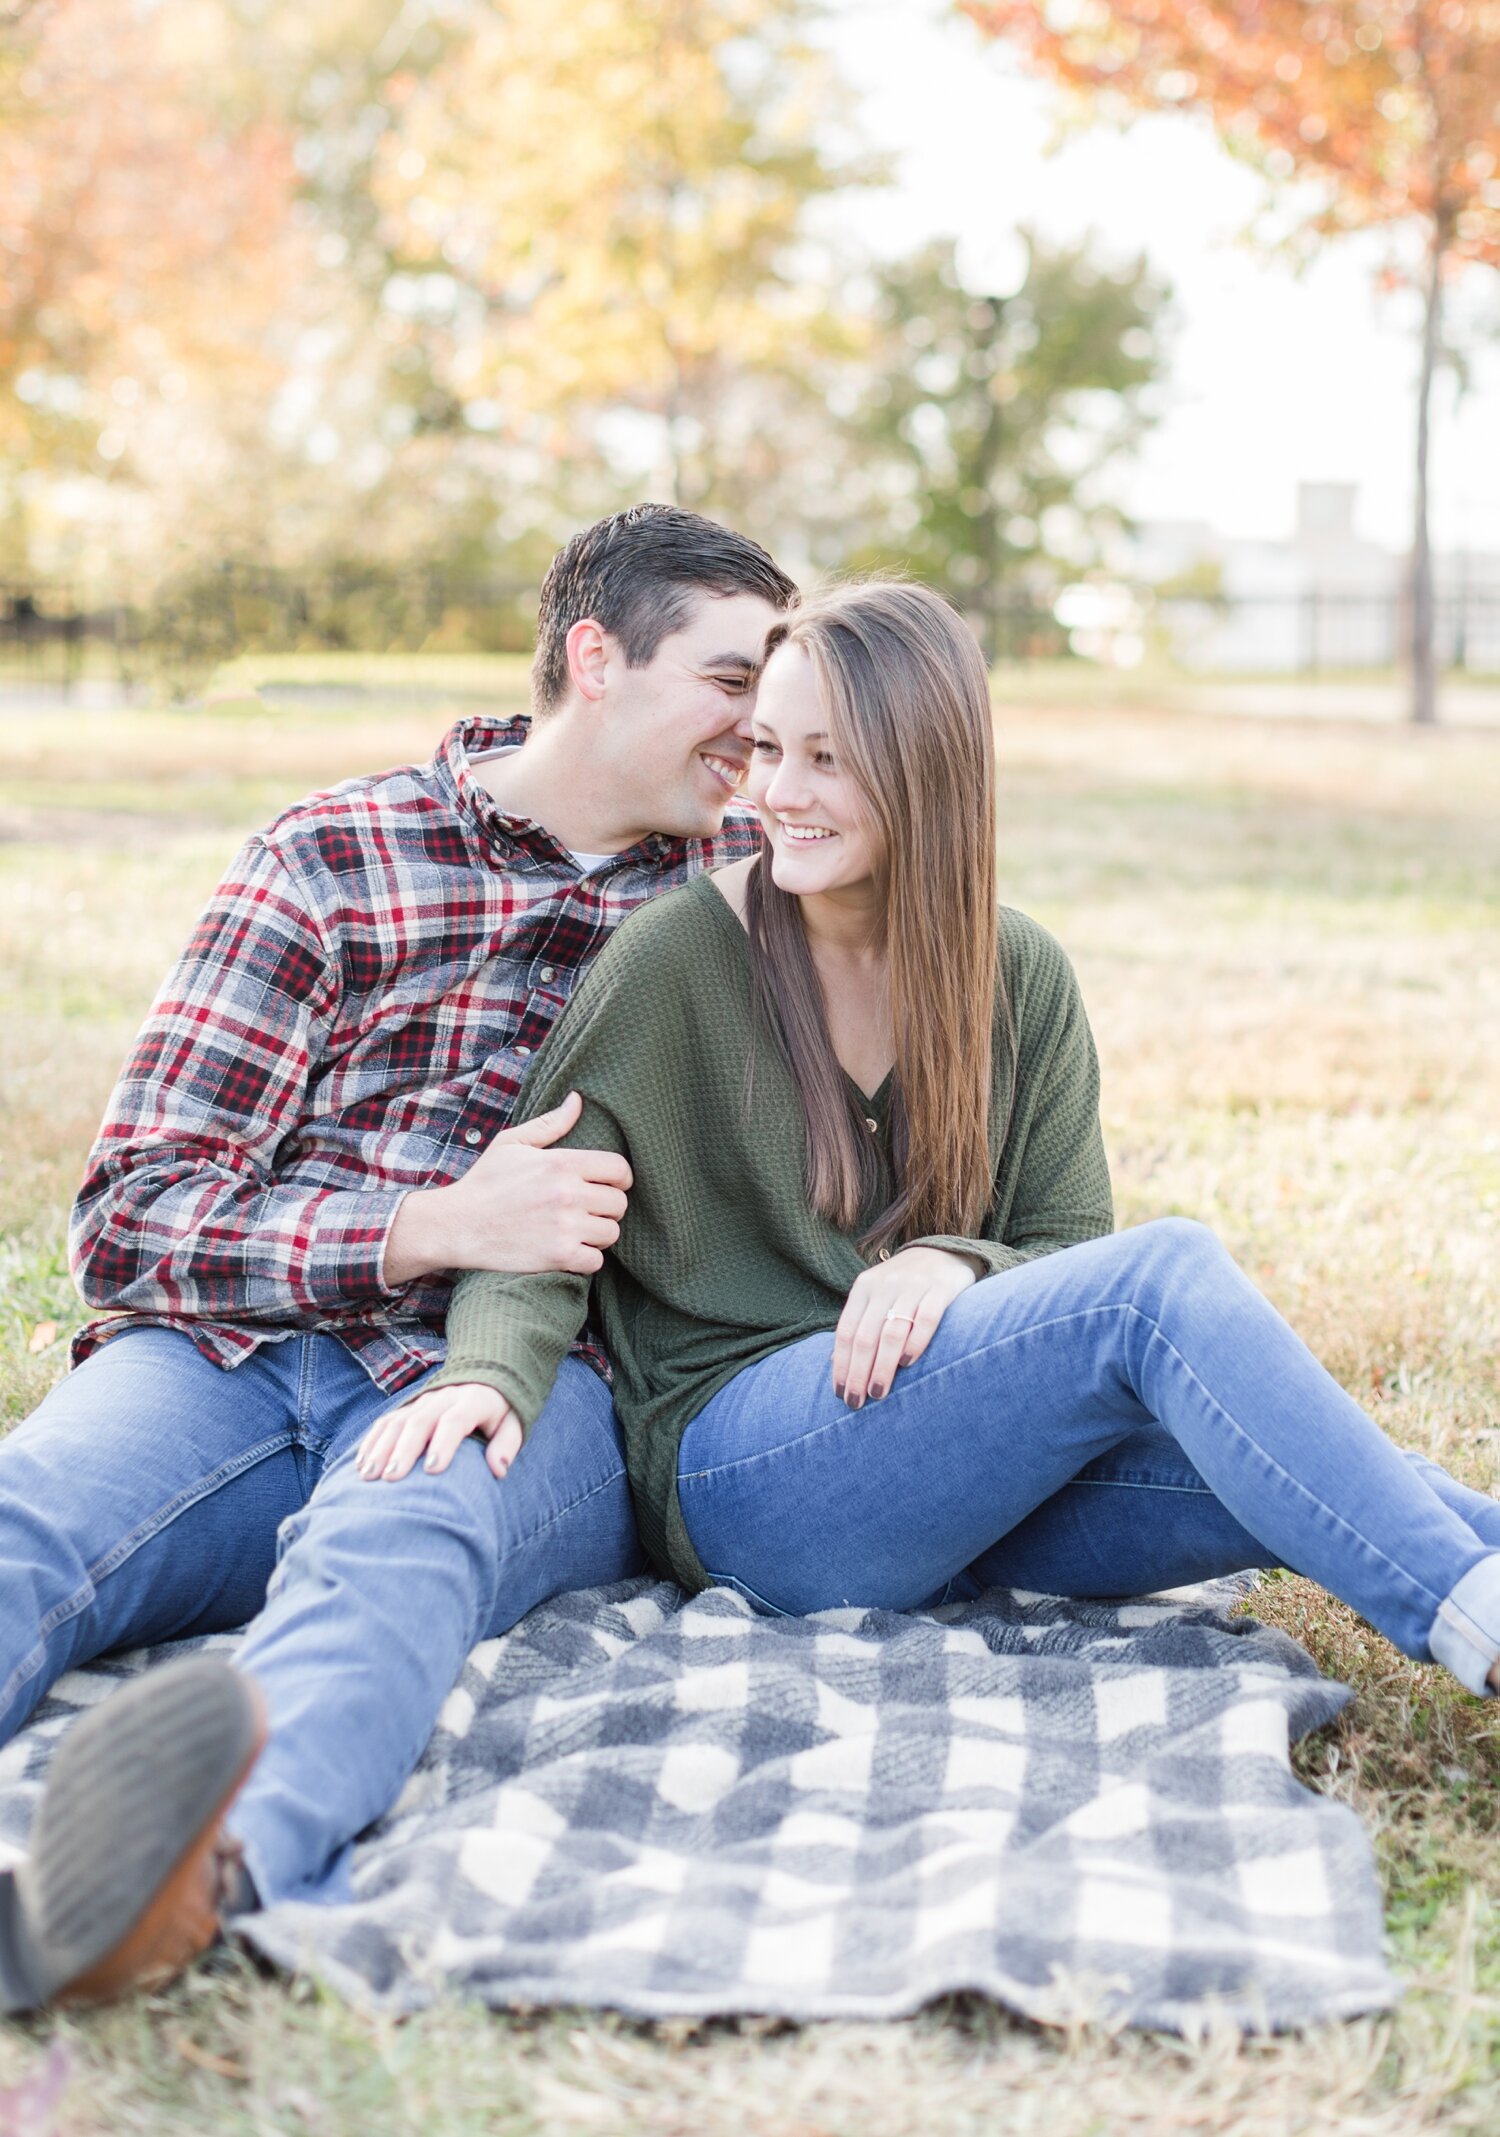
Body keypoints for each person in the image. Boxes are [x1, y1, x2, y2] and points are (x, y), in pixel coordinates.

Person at [371, 579, 1500, 1689]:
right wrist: (486, 1373)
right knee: (1162, 1277)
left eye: (827, 756)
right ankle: (1474, 1629)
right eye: (766, 748)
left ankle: (1473, 1586)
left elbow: (1060, 1239)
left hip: (954, 1482)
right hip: (752, 1486)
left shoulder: (1017, 974)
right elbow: (542, 1223)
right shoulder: (672, 965)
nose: (778, 790)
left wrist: (952, 1258)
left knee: (1308, 1464)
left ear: (926, 766)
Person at [0, 503, 799, 2013]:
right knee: (32, 1513)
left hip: (512, 1378)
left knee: (391, 1553)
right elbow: (131, 1214)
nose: (764, 728)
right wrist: (433, 1224)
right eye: (730, 679)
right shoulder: (335, 855)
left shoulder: (755, 888)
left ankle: (184, 1886)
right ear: (595, 659)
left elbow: (943, 1002)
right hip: (233, 1363)